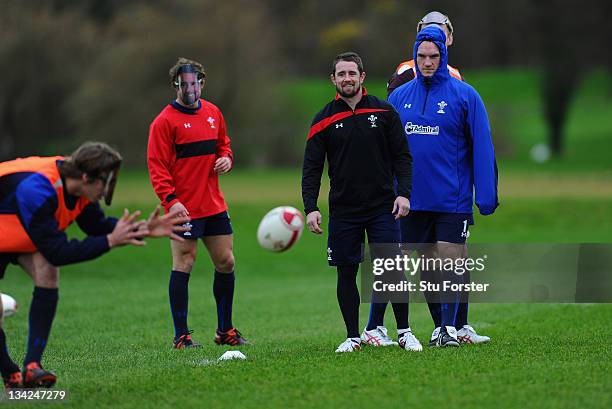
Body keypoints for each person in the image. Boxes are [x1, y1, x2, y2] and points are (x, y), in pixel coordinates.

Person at [0, 141, 189, 388]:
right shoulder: (37, 190)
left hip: (16, 232)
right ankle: (9, 372)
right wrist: (110, 241)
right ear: (87, 177)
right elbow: (58, 251)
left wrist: (143, 229)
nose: (105, 191)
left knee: (47, 272)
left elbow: (97, 226)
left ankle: (32, 367)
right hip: (12, 229)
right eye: (104, 182)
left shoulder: (78, 187)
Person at [368, 11, 491, 347]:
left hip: (451, 194)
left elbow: (478, 143)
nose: (426, 61)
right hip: (410, 195)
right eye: (422, 54)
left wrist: (486, 191)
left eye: (433, 53)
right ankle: (378, 326)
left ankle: (452, 326)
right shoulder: (401, 83)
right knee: (410, 259)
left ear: (448, 41)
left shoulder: (462, 88)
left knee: (454, 256)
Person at [301, 51, 421, 353]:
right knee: (346, 272)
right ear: (333, 80)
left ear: (362, 76)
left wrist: (404, 193)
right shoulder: (323, 120)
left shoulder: (384, 112)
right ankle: (353, 337)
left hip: (383, 207)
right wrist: (311, 207)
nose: (347, 79)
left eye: (352, 73)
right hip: (344, 211)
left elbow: (402, 157)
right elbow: (312, 168)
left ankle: (405, 332)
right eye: (341, 74)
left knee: (392, 268)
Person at [147, 57, 247, 349]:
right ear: (176, 85)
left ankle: (225, 331)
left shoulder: (214, 112)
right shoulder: (163, 122)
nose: (190, 89)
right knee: (185, 262)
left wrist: (227, 158)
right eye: (184, 84)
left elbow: (223, 144)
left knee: (226, 262)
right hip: (182, 207)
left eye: (194, 83)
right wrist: (170, 201)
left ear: (202, 83)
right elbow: (157, 167)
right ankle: (181, 336)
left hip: (213, 204)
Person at [387, 11, 462, 96]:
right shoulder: (406, 72)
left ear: (450, 39)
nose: (432, 38)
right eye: (426, 34)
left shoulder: (457, 76)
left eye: (440, 33)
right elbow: (392, 105)